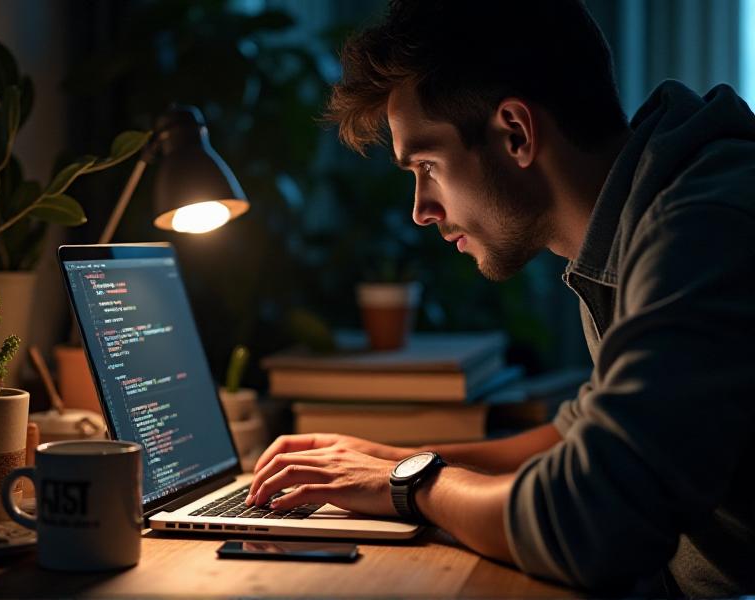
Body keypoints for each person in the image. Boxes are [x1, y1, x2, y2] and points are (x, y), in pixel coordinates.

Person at [245, 0, 755, 595]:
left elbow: (593, 519)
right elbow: (583, 435)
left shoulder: (700, 228)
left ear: (515, 132)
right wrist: (397, 457)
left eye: (428, 165)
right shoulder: (645, 209)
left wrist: (411, 485)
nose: (420, 210)